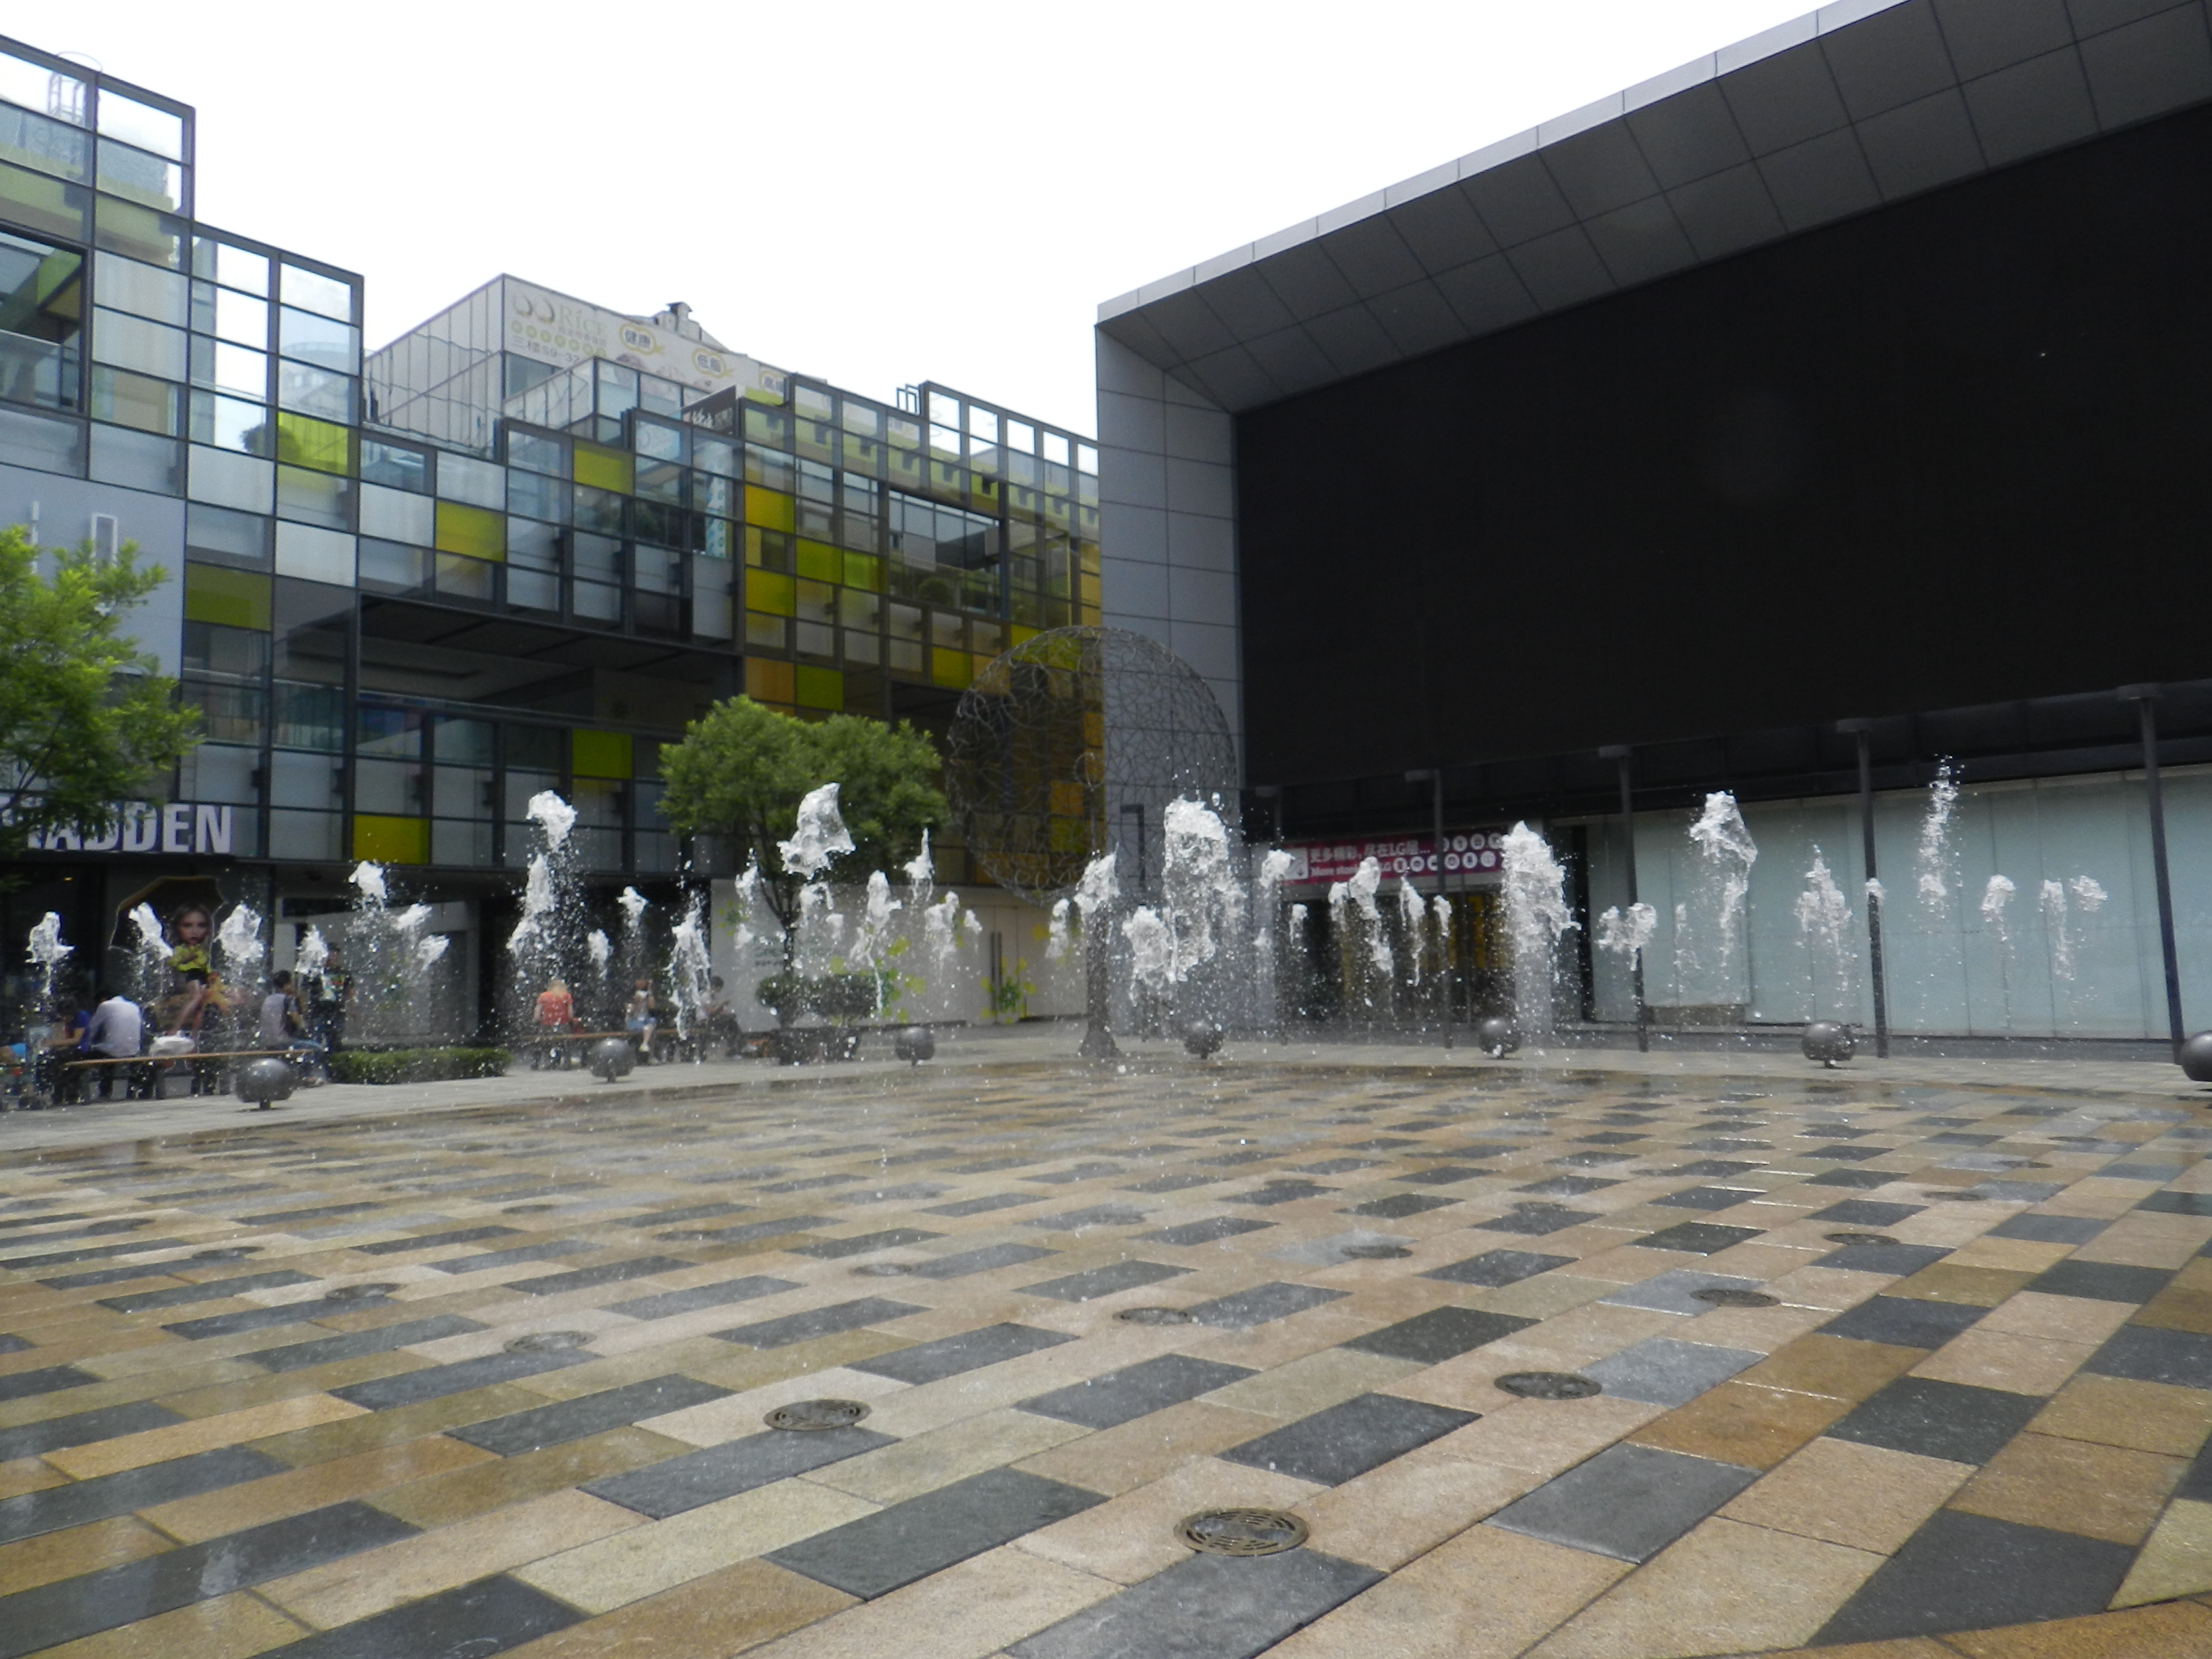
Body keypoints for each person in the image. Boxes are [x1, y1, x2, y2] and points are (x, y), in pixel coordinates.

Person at [160, 905, 232, 1038]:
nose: (195, 931)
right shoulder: (181, 949)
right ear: (178, 928)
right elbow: (173, 962)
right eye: (187, 926)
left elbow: (205, 965)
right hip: (191, 974)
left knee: (202, 1005)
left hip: (203, 976)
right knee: (196, 997)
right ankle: (175, 1029)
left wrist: (211, 975)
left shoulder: (202, 949)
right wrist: (188, 958)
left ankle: (194, 1036)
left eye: (201, 925)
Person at [257, 971, 325, 1081]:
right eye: (292, 983)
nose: (293, 985)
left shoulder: (268, 999)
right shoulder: (287, 999)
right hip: (282, 1041)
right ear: (286, 985)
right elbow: (297, 1020)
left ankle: (297, 1074)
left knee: (299, 1046)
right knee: (316, 1048)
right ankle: (306, 1076)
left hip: (266, 1041)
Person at [84, 991, 144, 1101]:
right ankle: (132, 1091)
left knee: (99, 1053)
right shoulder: (133, 1005)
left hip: (112, 1051)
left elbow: (92, 1029)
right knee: (113, 1049)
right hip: (134, 1050)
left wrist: (87, 1043)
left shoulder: (104, 1006)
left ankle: (105, 1092)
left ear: (102, 999)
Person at [533, 977, 575, 1069]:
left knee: (542, 1044)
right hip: (562, 1026)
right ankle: (566, 1064)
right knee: (565, 1043)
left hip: (546, 1026)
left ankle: (538, 1063)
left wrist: (538, 1020)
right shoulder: (566, 996)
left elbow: (537, 1014)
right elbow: (570, 1015)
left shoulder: (543, 996)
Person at [699, 975, 743, 1060]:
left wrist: (724, 1010)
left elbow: (717, 1011)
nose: (719, 991)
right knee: (732, 1026)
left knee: (732, 1025)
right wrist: (722, 1004)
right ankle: (733, 1049)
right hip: (705, 1021)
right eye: (719, 988)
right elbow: (711, 1012)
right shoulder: (705, 996)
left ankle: (734, 1048)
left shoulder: (713, 997)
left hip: (712, 1020)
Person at [624, 977, 660, 1061]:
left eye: (643, 980)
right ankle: (646, 1049)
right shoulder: (630, 995)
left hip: (645, 1020)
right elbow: (630, 1013)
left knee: (652, 1023)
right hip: (633, 1021)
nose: (641, 982)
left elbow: (652, 1006)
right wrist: (636, 1003)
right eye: (639, 980)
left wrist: (649, 991)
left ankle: (645, 1046)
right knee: (648, 1030)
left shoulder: (647, 994)